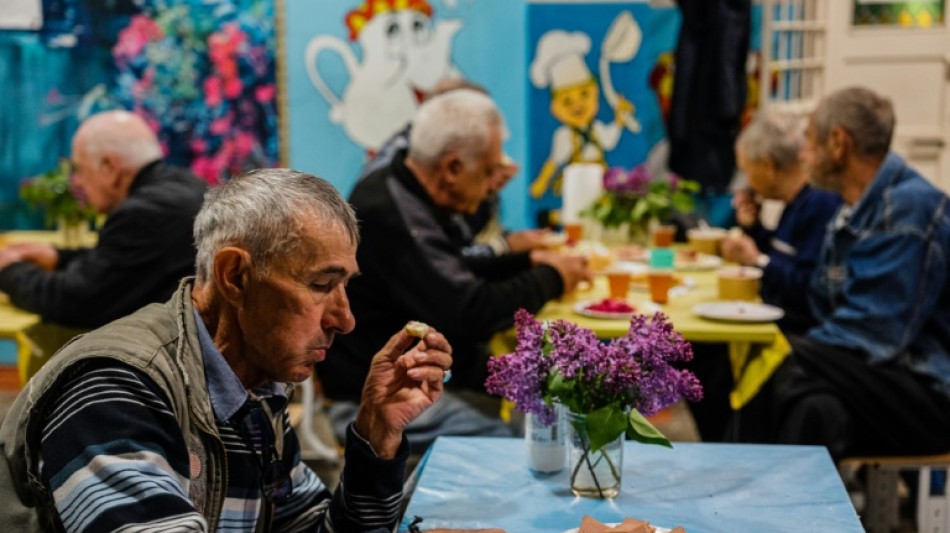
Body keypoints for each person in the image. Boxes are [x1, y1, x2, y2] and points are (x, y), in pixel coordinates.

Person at [0, 169, 455, 532]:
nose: (345, 319)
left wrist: (376, 433)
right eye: (321, 285)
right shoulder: (116, 389)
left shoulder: (253, 388)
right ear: (235, 276)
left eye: (345, 287)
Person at [323, 89, 591, 451]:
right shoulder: (394, 214)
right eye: (487, 172)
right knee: (537, 436)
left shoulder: (409, 186)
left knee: (544, 403)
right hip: (374, 398)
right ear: (451, 168)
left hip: (430, 376)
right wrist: (554, 277)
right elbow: (470, 311)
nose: (490, 185)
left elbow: (454, 266)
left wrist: (528, 262)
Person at [763, 87, 950, 461]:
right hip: (869, 378)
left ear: (837, 143)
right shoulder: (853, 209)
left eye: (810, 142)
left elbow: (871, 333)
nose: (803, 155)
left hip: (925, 391)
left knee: (771, 354)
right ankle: (775, 515)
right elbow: (821, 301)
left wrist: (783, 342)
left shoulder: (909, 208)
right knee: (815, 409)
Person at [0, 110, 206, 329]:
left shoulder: (144, 212)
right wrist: (58, 258)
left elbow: (74, 302)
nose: (76, 183)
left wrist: (9, 270)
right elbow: (122, 263)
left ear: (109, 168)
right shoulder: (185, 185)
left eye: (79, 169)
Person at [359, 80, 551, 258]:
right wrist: (504, 247)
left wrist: (485, 191)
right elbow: (446, 264)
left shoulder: (449, 160)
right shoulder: (401, 173)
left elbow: (461, 239)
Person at [720, 111, 841, 334]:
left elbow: (807, 286)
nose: (748, 182)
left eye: (748, 170)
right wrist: (754, 228)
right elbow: (783, 256)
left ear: (768, 165)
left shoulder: (820, 203)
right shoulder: (795, 201)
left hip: (796, 334)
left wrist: (757, 261)